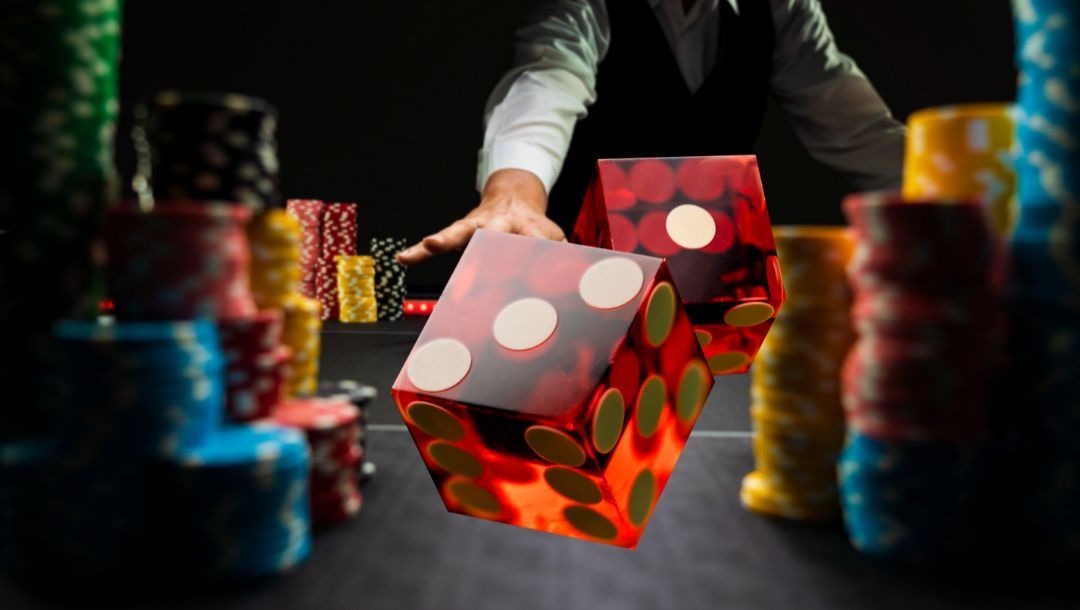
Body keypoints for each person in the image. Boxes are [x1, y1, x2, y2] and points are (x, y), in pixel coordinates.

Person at [397, 0, 905, 266]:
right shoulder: (586, 3)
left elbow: (859, 129)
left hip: (715, 294)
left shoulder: (780, 8)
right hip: (587, 292)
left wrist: (964, 202)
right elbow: (546, 79)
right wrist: (513, 195)